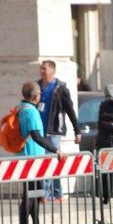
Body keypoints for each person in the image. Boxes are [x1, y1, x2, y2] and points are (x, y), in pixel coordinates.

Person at [17, 82, 67, 224]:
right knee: (30, 196)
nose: (40, 96)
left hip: (25, 156)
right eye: (39, 93)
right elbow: (36, 136)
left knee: (33, 194)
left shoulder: (21, 107)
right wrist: (55, 150)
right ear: (35, 96)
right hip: (32, 157)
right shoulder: (31, 112)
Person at [37, 60, 82, 202]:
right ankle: (47, 193)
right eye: (41, 69)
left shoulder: (60, 88)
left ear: (52, 71)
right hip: (40, 131)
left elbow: (70, 110)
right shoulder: (37, 86)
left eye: (44, 69)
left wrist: (77, 130)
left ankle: (55, 193)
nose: (42, 71)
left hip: (54, 131)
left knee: (53, 161)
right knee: (44, 162)